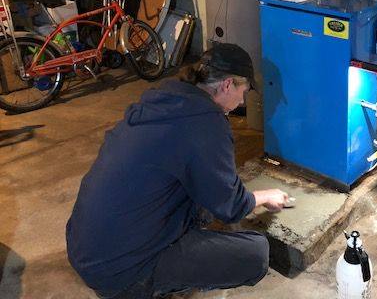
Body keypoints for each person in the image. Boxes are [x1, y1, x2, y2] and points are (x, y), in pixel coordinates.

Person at [66, 43, 289, 298]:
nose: (242, 100)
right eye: (244, 91)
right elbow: (232, 206)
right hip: (121, 271)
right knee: (256, 253)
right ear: (228, 84)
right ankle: (152, 284)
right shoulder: (207, 124)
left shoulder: (163, 100)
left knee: (199, 197)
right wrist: (266, 196)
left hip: (84, 247)